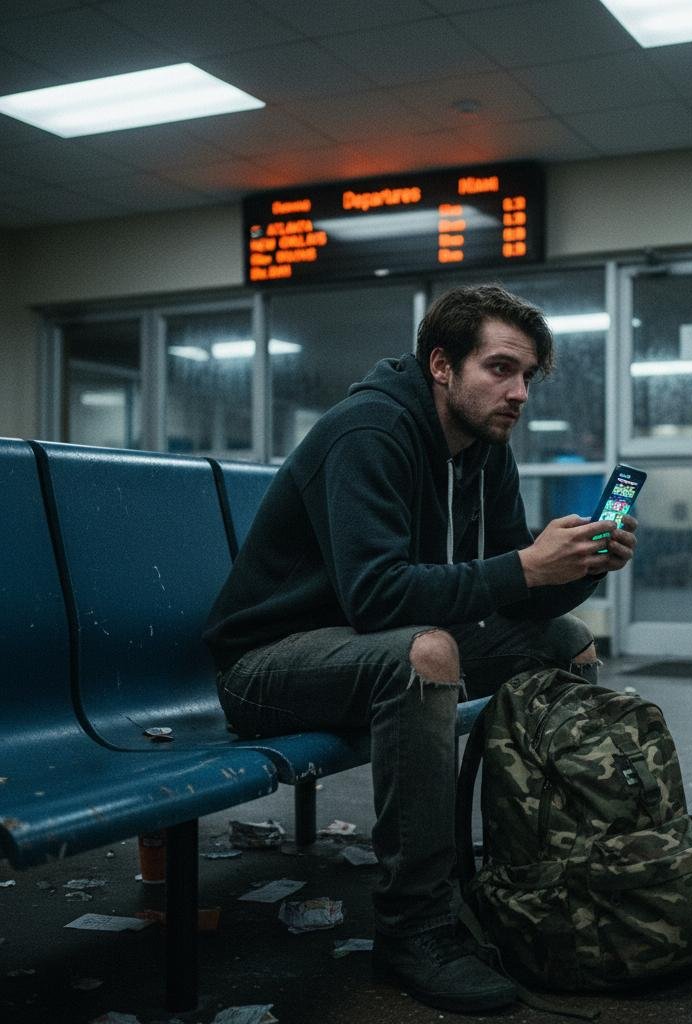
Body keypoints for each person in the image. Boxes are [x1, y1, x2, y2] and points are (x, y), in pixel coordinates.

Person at [203, 284, 638, 1013]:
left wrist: (574, 571)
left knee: (565, 643)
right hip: (266, 666)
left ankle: (545, 873)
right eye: (500, 369)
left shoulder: (485, 450)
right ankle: (415, 930)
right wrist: (526, 565)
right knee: (427, 654)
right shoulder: (368, 431)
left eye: (527, 375)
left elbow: (508, 591)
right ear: (442, 364)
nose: (518, 392)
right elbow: (377, 597)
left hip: (364, 645)